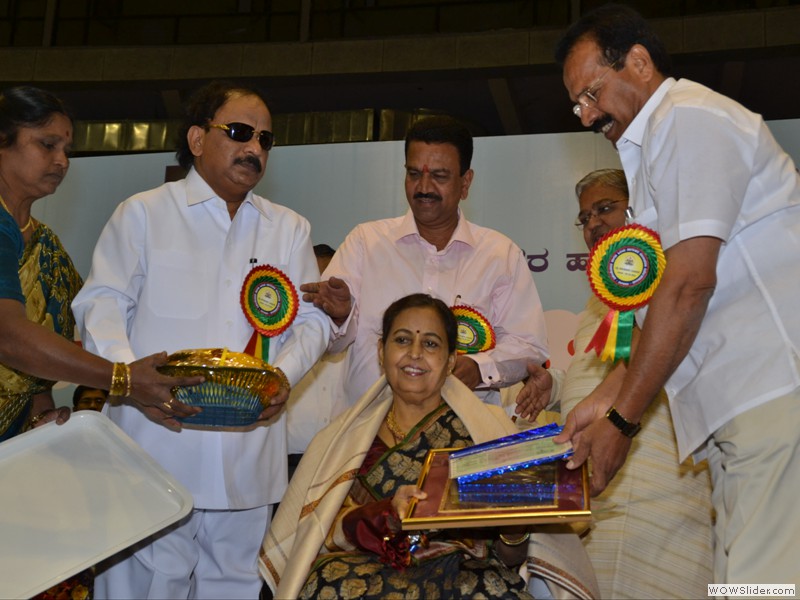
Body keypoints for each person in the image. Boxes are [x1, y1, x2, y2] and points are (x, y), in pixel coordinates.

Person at [554, 4, 800, 585]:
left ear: (638, 62)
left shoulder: (689, 118)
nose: (586, 115)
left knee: (761, 586)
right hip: (740, 412)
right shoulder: (655, 147)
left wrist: (621, 422)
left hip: (770, 394)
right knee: (749, 585)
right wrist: (607, 396)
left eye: (591, 93)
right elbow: (661, 307)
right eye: (576, 104)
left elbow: (689, 284)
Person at [72, 80, 329, 599]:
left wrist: (281, 378)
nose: (254, 148)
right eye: (239, 132)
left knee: (233, 590)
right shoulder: (142, 213)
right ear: (196, 139)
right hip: (155, 446)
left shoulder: (289, 229)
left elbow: (312, 320)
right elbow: (100, 305)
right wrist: (131, 377)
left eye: (265, 140)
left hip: (248, 454)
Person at [260, 293, 599, 599]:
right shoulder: (342, 439)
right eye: (402, 339)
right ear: (381, 351)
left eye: (431, 344)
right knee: (325, 585)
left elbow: (510, 559)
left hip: (462, 575)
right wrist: (387, 516)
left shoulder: (489, 432)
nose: (415, 353)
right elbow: (319, 536)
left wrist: (514, 529)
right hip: (361, 569)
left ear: (451, 360)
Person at [515, 169, 713, 598]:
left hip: (661, 489)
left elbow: (662, 361)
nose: (593, 224)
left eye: (605, 208)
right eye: (584, 218)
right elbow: (600, 372)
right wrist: (555, 386)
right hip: (595, 490)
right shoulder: (597, 301)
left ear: (638, 209)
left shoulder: (676, 286)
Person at [301, 115, 548, 413]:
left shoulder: (500, 255)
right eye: (414, 174)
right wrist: (339, 317)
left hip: (464, 429)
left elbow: (528, 345)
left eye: (440, 176)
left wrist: (479, 368)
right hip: (372, 426)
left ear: (465, 182)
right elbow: (328, 342)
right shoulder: (366, 242)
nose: (424, 187)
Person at [0, 85, 200, 442]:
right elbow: (9, 337)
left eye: (66, 150)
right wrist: (125, 379)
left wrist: (41, 416)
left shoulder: (48, 247)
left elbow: (34, 376)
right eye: (47, 145)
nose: (62, 161)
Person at [286, 243, 346, 469]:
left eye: (327, 284)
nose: (320, 296)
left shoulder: (354, 334)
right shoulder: (281, 335)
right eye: (313, 285)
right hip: (289, 459)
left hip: (340, 461)